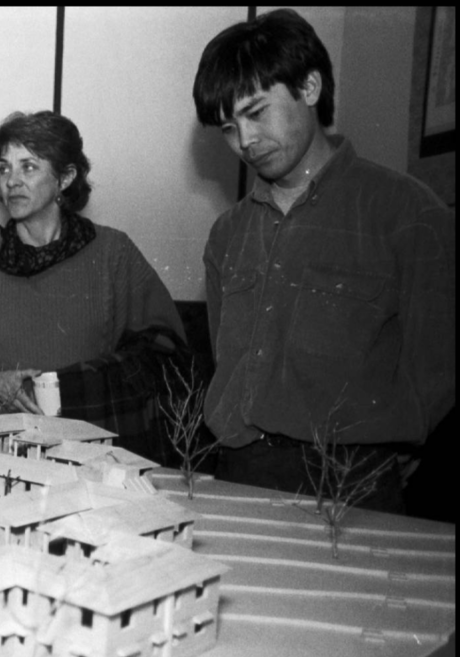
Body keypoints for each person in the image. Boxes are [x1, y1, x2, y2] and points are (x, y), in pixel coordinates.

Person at [193, 9, 455, 512]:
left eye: (256, 112)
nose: (244, 142)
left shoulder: (407, 212)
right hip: (236, 473)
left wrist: (389, 449)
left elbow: (437, 370)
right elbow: (227, 362)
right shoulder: (227, 234)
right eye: (228, 127)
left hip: (349, 482)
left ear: (309, 87)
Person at [0, 111, 185, 420]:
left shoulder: (113, 254)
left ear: (65, 178)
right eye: (4, 168)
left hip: (91, 444)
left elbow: (165, 346)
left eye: (29, 167)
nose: (12, 181)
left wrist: (83, 389)